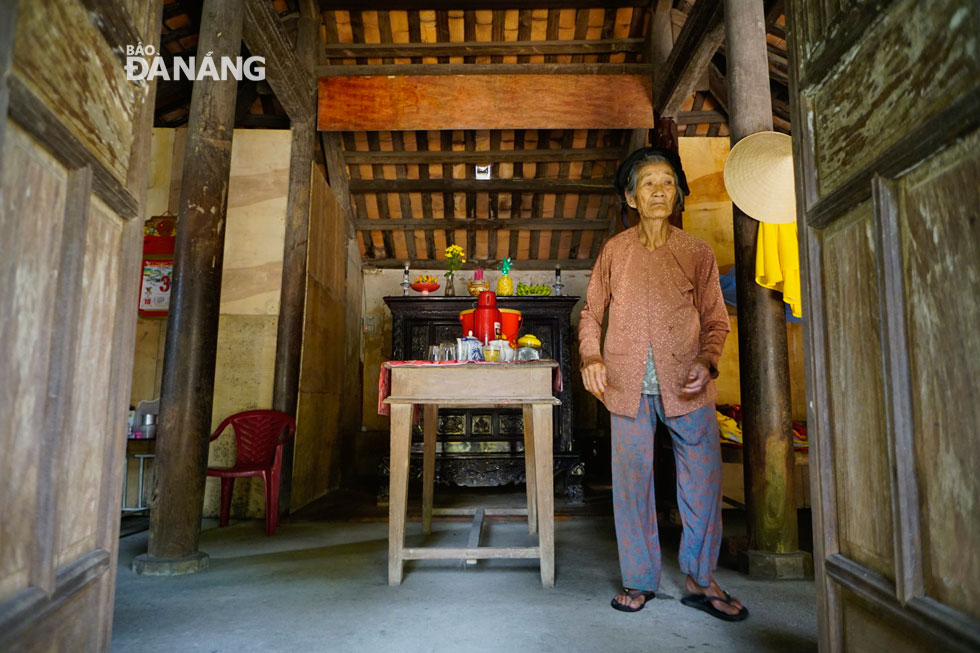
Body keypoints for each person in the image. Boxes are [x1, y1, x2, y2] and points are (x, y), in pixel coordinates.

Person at [578, 147, 748, 621]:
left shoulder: (697, 252)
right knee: (632, 485)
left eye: (668, 182)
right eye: (648, 182)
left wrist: (707, 360)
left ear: (677, 195)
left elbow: (716, 321)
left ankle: (699, 578)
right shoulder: (615, 251)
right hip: (626, 384)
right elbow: (591, 313)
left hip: (686, 384)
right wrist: (591, 356)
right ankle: (639, 579)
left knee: (703, 481)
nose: (659, 190)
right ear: (631, 198)